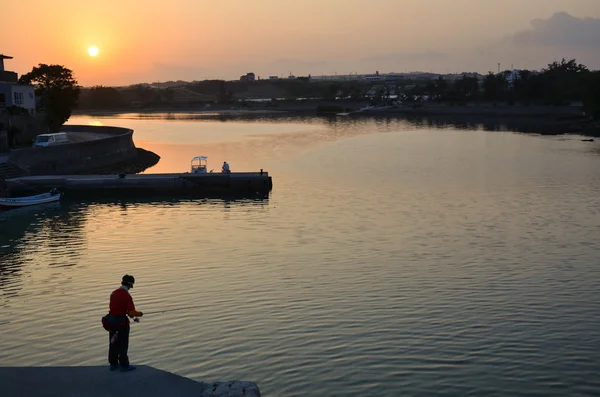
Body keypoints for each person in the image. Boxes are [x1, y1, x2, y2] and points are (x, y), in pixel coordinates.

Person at [107, 274, 143, 372]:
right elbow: (131, 312)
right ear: (129, 285)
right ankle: (124, 365)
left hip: (111, 323)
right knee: (123, 344)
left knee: (113, 343)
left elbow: (117, 309)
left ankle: (113, 364)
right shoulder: (126, 296)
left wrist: (129, 314)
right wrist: (139, 314)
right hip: (122, 324)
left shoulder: (113, 293)